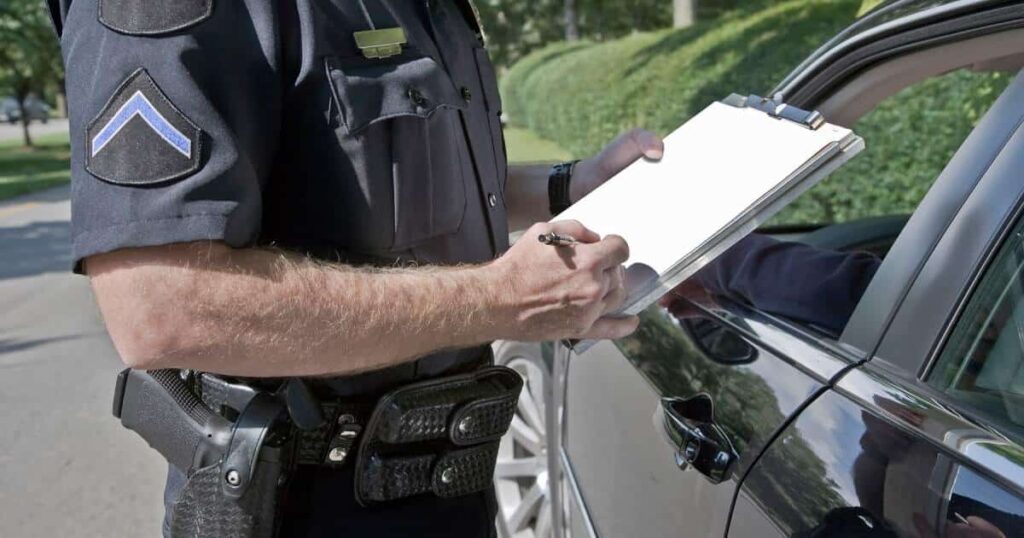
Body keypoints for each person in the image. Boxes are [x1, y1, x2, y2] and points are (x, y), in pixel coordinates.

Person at [47, 1, 663, 536]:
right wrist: (499, 301)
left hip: (453, 491)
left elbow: (415, 182)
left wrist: (568, 186)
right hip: (305, 502)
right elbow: (160, 307)